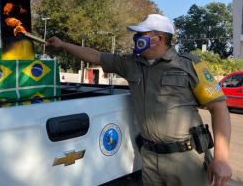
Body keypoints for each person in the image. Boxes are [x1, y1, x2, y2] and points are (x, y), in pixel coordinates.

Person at [47, 14, 232, 186]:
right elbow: (96, 56)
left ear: (159, 39)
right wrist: (63, 45)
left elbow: (219, 107)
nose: (135, 38)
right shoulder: (131, 64)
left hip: (187, 159)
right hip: (150, 158)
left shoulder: (189, 65)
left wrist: (221, 159)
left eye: (140, 34)